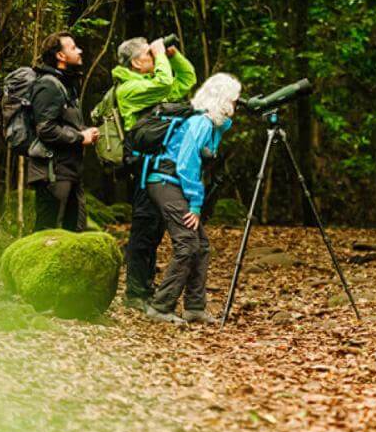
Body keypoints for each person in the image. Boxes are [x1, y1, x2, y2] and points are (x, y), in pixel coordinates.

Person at [141, 73, 240, 324]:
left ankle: (195, 307)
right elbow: (186, 165)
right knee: (187, 244)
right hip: (165, 182)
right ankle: (161, 306)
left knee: (201, 246)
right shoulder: (201, 123)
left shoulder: (212, 125)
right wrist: (195, 204)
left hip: (172, 183)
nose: (236, 105)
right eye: (233, 99)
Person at [112, 36, 198, 308]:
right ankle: (135, 293)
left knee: (155, 230)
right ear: (137, 63)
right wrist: (160, 54)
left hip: (160, 170)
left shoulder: (149, 86)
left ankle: (145, 289)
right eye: (149, 55)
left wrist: (172, 56)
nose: (154, 57)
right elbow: (164, 83)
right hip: (143, 171)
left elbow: (186, 80)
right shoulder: (129, 88)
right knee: (144, 230)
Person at [28, 31, 99, 232]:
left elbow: (64, 123)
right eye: (73, 48)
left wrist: (86, 132)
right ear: (60, 56)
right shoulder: (48, 85)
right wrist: (79, 137)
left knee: (75, 233)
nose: (80, 50)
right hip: (52, 173)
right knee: (47, 235)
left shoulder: (66, 85)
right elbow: (46, 129)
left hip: (70, 171)